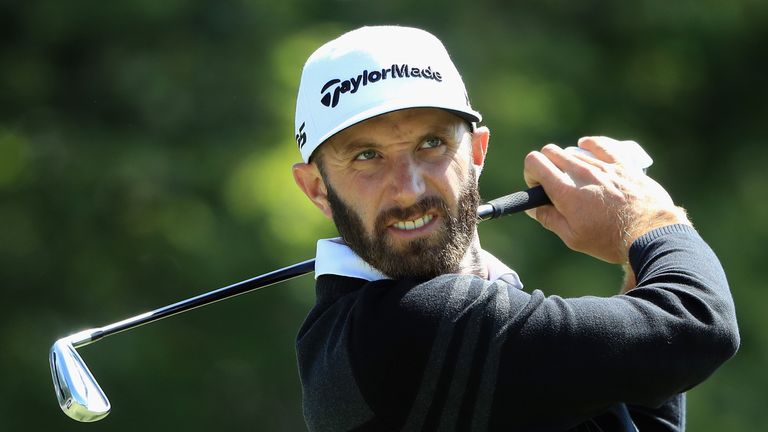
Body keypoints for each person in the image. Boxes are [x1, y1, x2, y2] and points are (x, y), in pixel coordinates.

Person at [290, 26, 739, 431]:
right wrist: (651, 218)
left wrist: (633, 255)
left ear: (478, 152)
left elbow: (645, 398)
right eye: (367, 156)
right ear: (317, 188)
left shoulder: (374, 337)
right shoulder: (406, 327)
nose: (407, 190)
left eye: (431, 144)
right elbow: (696, 326)